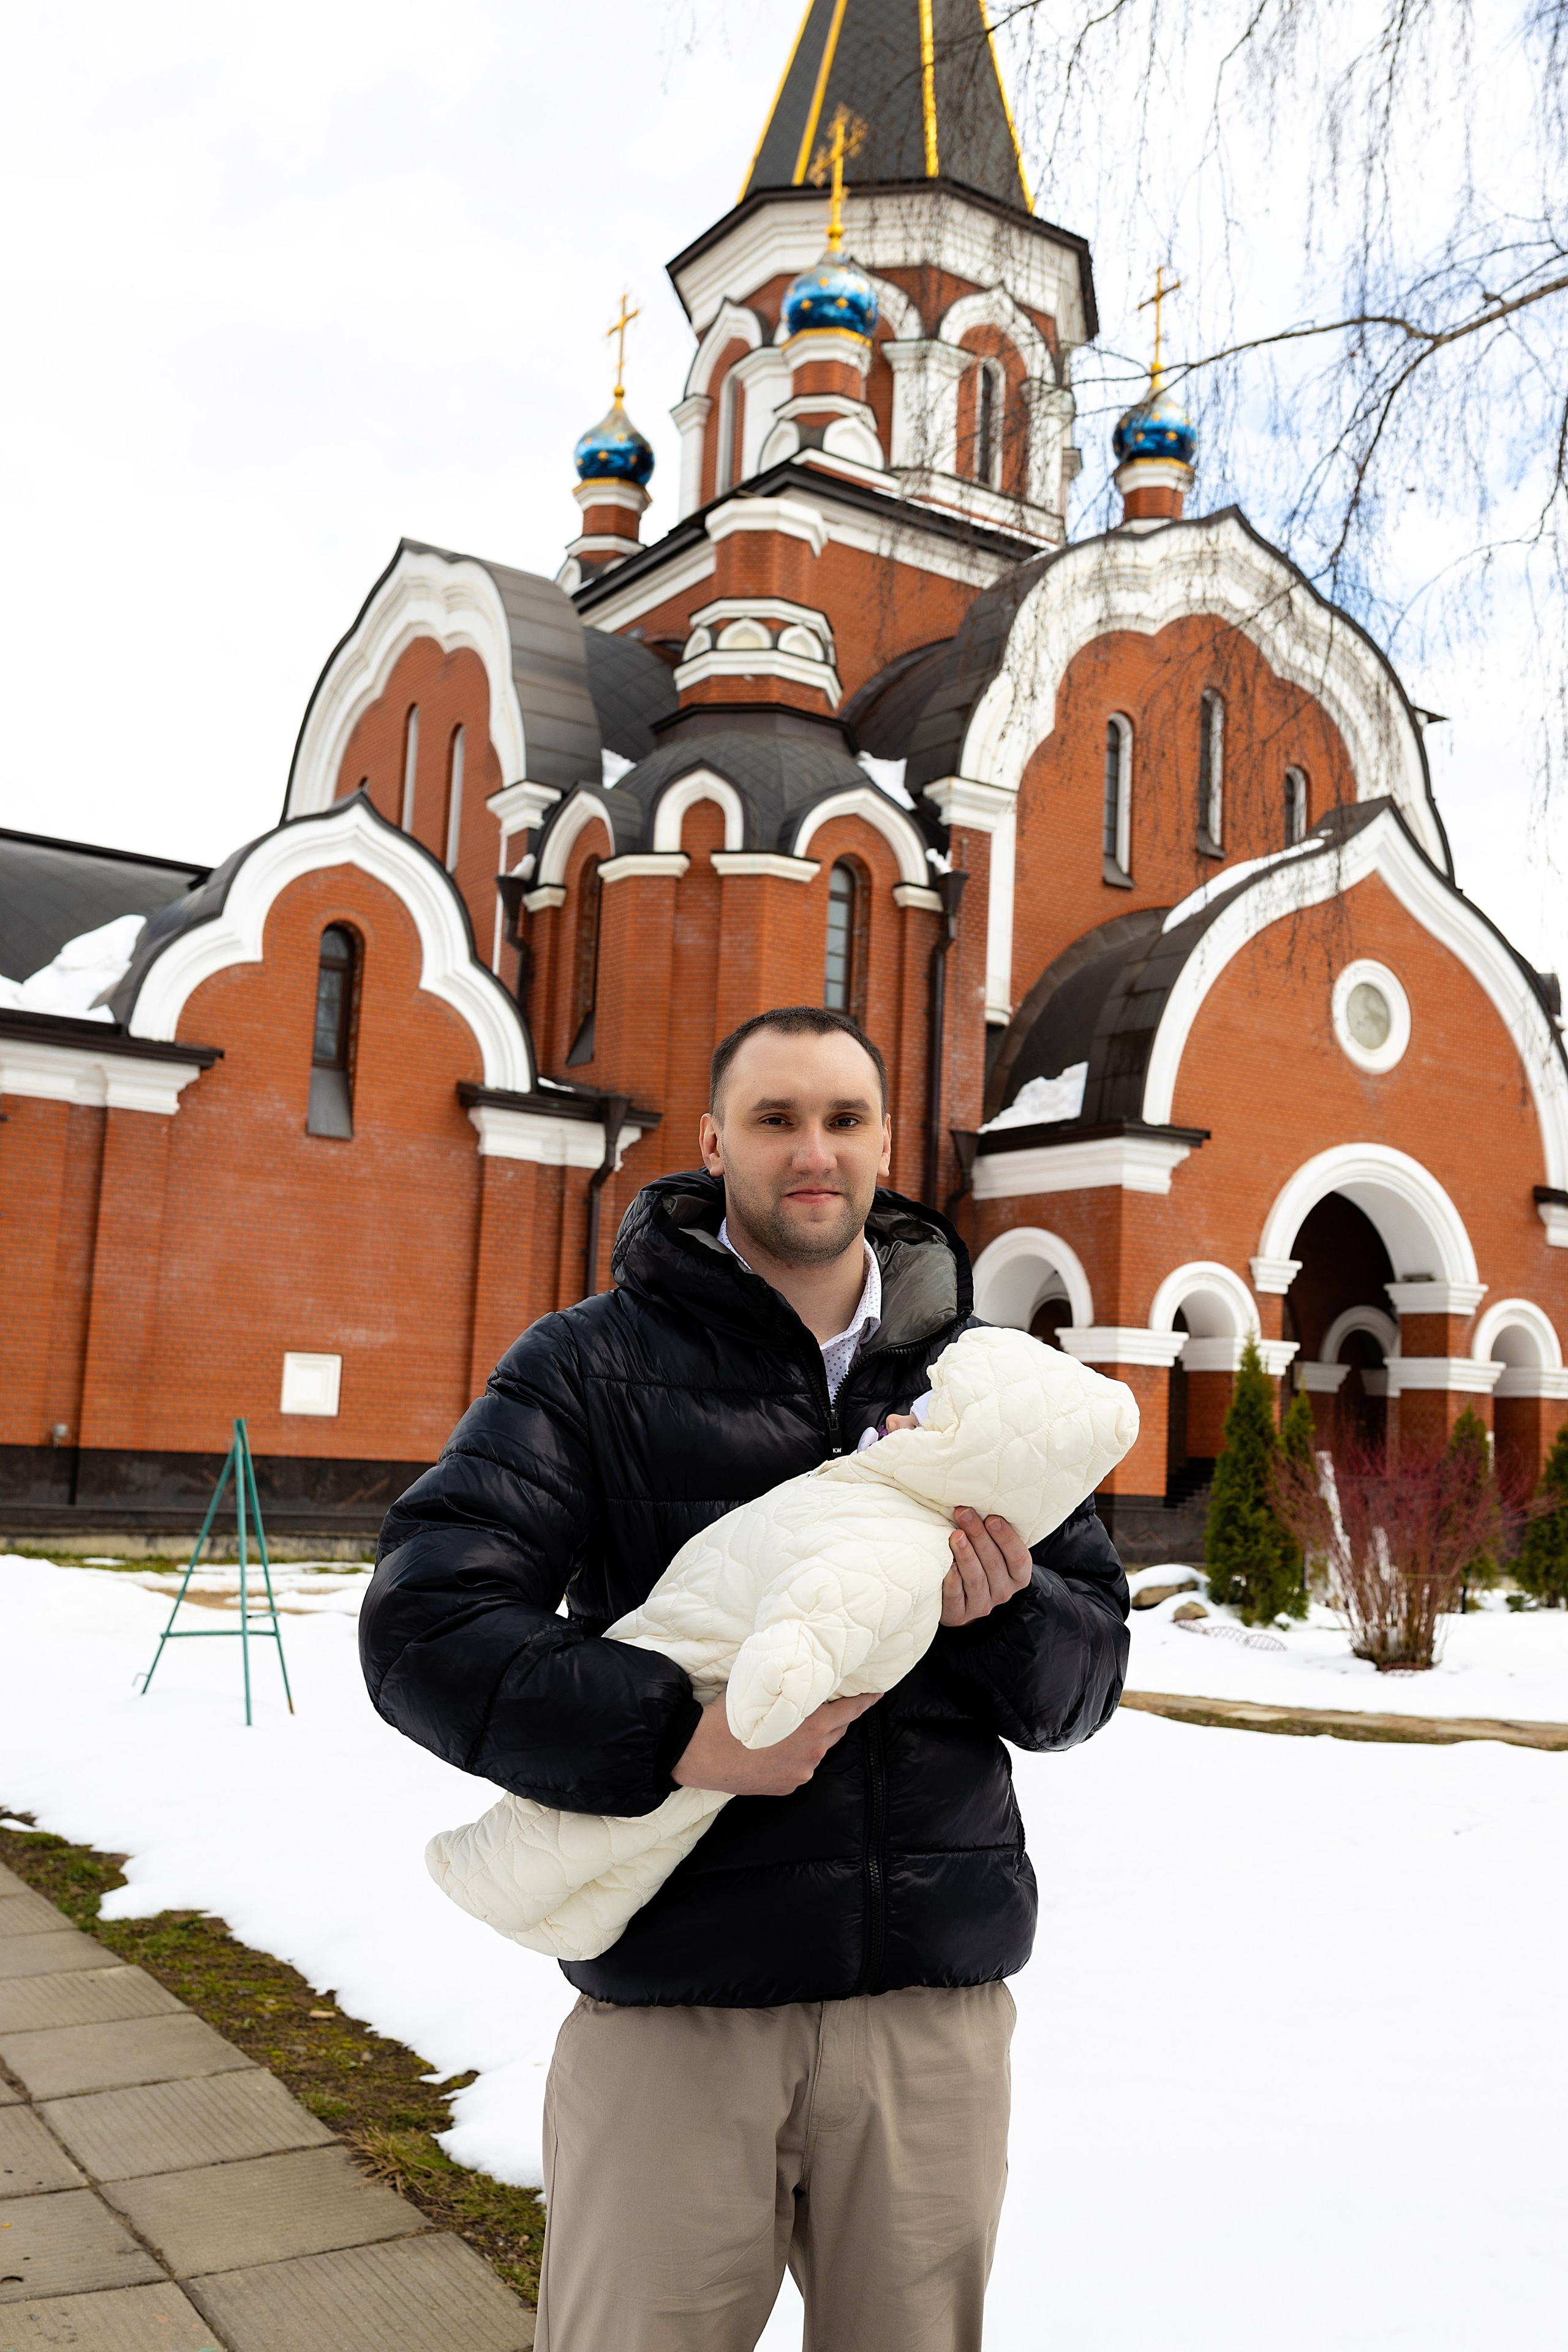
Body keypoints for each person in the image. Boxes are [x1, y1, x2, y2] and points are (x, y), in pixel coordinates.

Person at [360, 1005, 1130, 2352]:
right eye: (775, 1118)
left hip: (924, 2021)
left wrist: (997, 1619)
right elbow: (424, 1627)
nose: (811, 1150)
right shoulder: (586, 1366)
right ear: (714, 1140)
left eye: (843, 1118)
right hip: (679, 2007)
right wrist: (680, 1736)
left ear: (888, 1144)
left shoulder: (986, 1387)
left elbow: (1081, 1682)